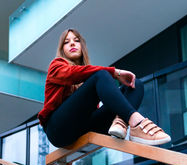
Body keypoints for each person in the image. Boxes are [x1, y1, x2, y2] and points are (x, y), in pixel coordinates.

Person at [38, 29, 171, 148]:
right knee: (101, 75)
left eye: (76, 40)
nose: (72, 44)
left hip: (84, 127)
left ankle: (121, 123)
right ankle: (136, 122)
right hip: (58, 129)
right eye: (67, 42)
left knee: (136, 84)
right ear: (62, 49)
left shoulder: (90, 76)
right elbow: (74, 73)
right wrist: (116, 72)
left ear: (82, 46)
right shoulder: (56, 66)